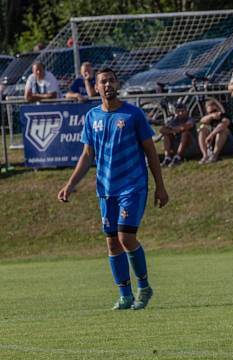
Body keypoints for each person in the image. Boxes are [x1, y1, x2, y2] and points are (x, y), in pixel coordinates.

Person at [57, 68, 169, 310]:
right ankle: (125, 295)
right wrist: (70, 184)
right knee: (112, 244)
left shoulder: (133, 115)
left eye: (111, 80)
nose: (107, 85)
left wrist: (160, 186)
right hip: (106, 189)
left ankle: (144, 287)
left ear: (117, 84)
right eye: (102, 82)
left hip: (133, 186)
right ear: (96, 88)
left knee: (126, 237)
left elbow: (150, 151)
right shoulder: (92, 117)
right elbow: (87, 155)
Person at [198, 98, 233, 164]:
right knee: (202, 130)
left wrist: (211, 135)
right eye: (210, 112)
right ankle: (205, 156)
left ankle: (214, 156)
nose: (213, 113)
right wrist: (211, 116)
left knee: (222, 130)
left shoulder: (225, 115)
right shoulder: (210, 118)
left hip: (229, 146)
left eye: (215, 110)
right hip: (215, 144)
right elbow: (202, 120)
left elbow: (223, 125)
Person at [159, 102, 196, 167]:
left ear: (186, 111)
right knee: (166, 135)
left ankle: (178, 157)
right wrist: (173, 131)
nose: (180, 113)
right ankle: (167, 158)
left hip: (190, 148)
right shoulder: (173, 120)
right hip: (176, 146)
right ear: (175, 112)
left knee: (185, 133)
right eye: (178, 111)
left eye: (182, 111)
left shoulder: (190, 119)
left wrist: (172, 130)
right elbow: (162, 130)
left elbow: (184, 127)